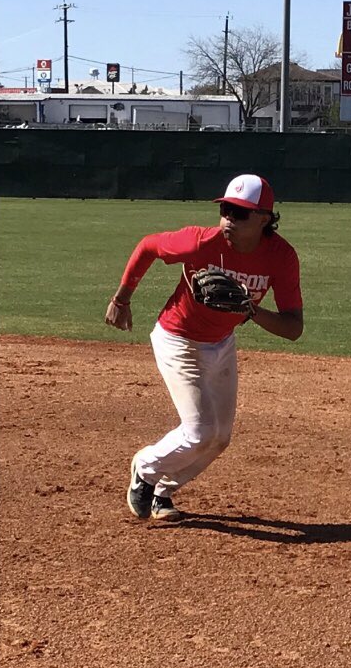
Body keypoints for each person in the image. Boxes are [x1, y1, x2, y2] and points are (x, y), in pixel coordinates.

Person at [105, 173, 304, 519]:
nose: (228, 219)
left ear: (264, 219)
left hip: (221, 343)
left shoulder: (281, 257)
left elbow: (293, 328)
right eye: (226, 209)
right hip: (177, 338)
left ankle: (162, 493)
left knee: (220, 437)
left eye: (240, 213)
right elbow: (148, 246)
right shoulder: (200, 242)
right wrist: (121, 300)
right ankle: (146, 468)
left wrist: (251, 311)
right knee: (200, 431)